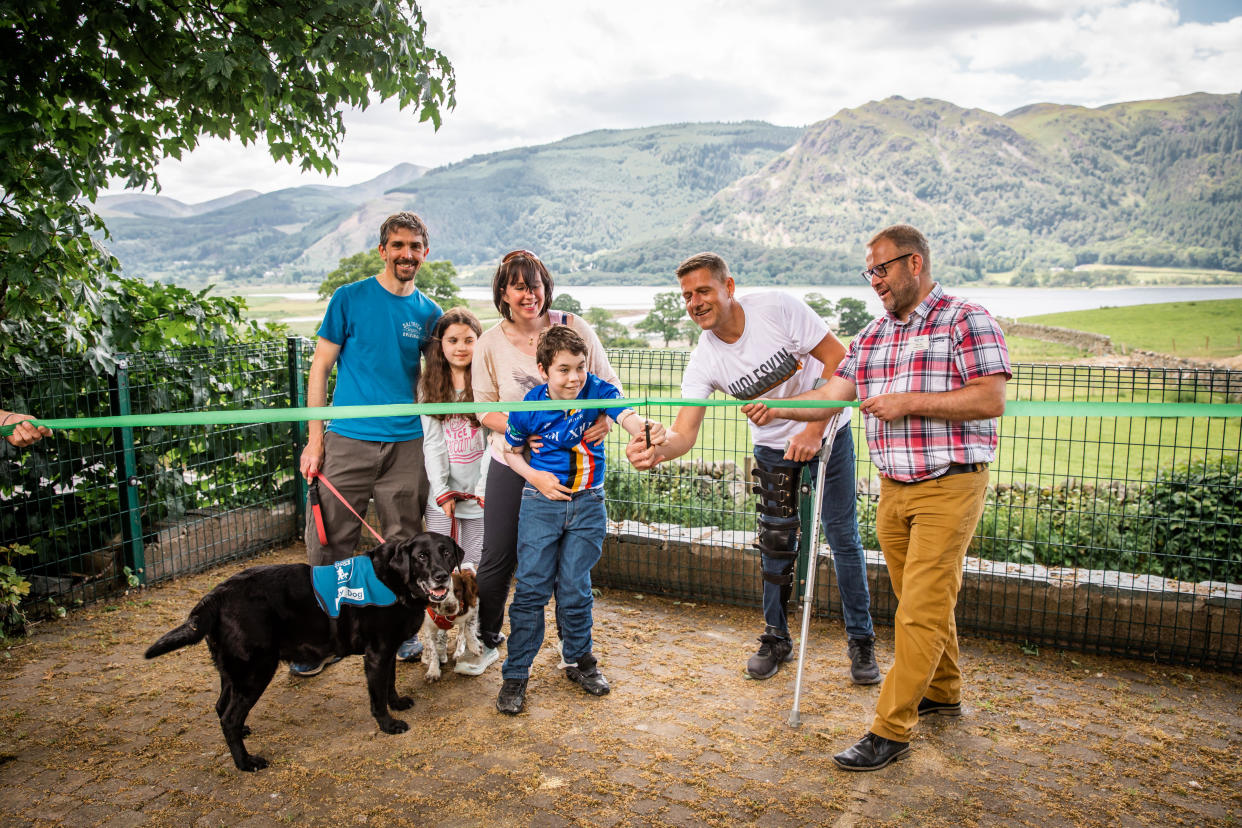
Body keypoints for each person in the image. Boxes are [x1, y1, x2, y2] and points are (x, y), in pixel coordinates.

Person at [743, 224, 1010, 772]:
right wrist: (779, 408)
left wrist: (906, 402)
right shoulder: (872, 337)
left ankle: (890, 728)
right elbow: (830, 396)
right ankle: (944, 689)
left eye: (882, 269)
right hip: (894, 489)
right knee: (923, 597)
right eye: (870, 272)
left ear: (915, 264)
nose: (875, 281)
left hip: (951, 483)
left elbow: (990, 397)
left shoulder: (966, 319)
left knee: (918, 608)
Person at [625, 252, 880, 685]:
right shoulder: (704, 360)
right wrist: (657, 451)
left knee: (841, 536)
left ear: (729, 287)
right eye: (687, 296)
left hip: (828, 432)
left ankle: (861, 640)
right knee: (776, 542)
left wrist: (814, 429)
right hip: (772, 449)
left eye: (703, 290)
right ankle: (776, 637)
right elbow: (684, 434)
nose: (695, 303)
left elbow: (843, 362)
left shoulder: (777, 309)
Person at [460, 249, 622, 676]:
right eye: (519, 286)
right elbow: (483, 408)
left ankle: (576, 654)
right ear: (503, 292)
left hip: (573, 462)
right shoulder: (490, 342)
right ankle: (488, 638)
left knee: (572, 576)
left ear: (546, 287)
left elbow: (608, 385)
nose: (529, 294)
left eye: (535, 285)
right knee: (499, 553)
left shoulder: (574, 327)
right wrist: (527, 425)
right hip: (515, 457)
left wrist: (605, 419)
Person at [295, 211, 443, 677]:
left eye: (415, 246)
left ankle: (398, 632)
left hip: (406, 446)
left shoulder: (428, 314)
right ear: (382, 250)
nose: (407, 254)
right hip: (347, 441)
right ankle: (319, 638)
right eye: (398, 245)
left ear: (424, 253)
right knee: (329, 540)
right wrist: (315, 441)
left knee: (402, 543)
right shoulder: (349, 298)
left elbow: (443, 379)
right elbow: (319, 370)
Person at [494, 325, 665, 714]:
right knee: (532, 589)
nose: (574, 378)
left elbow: (627, 416)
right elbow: (511, 452)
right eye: (564, 370)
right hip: (541, 503)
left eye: (580, 368)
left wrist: (644, 431)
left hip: (588, 504)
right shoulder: (529, 406)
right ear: (543, 371)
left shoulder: (598, 391)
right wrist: (535, 476)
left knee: (575, 587)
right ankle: (516, 674)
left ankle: (580, 661)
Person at [418, 308, 488, 571]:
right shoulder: (429, 386)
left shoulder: (487, 383)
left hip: (479, 495)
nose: (461, 348)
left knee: (474, 566)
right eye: (453, 340)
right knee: (441, 566)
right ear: (441, 345)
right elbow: (433, 442)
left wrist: (483, 490)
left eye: (469, 341)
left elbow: (493, 442)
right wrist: (441, 490)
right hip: (444, 497)